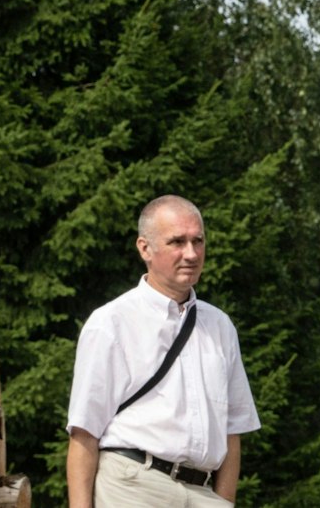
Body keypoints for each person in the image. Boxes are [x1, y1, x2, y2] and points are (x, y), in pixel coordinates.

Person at [65, 195, 258, 507]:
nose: (192, 253)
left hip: (203, 494)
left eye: (198, 241)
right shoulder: (111, 323)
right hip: (133, 486)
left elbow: (231, 432)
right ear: (145, 248)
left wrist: (223, 502)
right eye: (177, 242)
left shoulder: (220, 326)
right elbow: (84, 433)